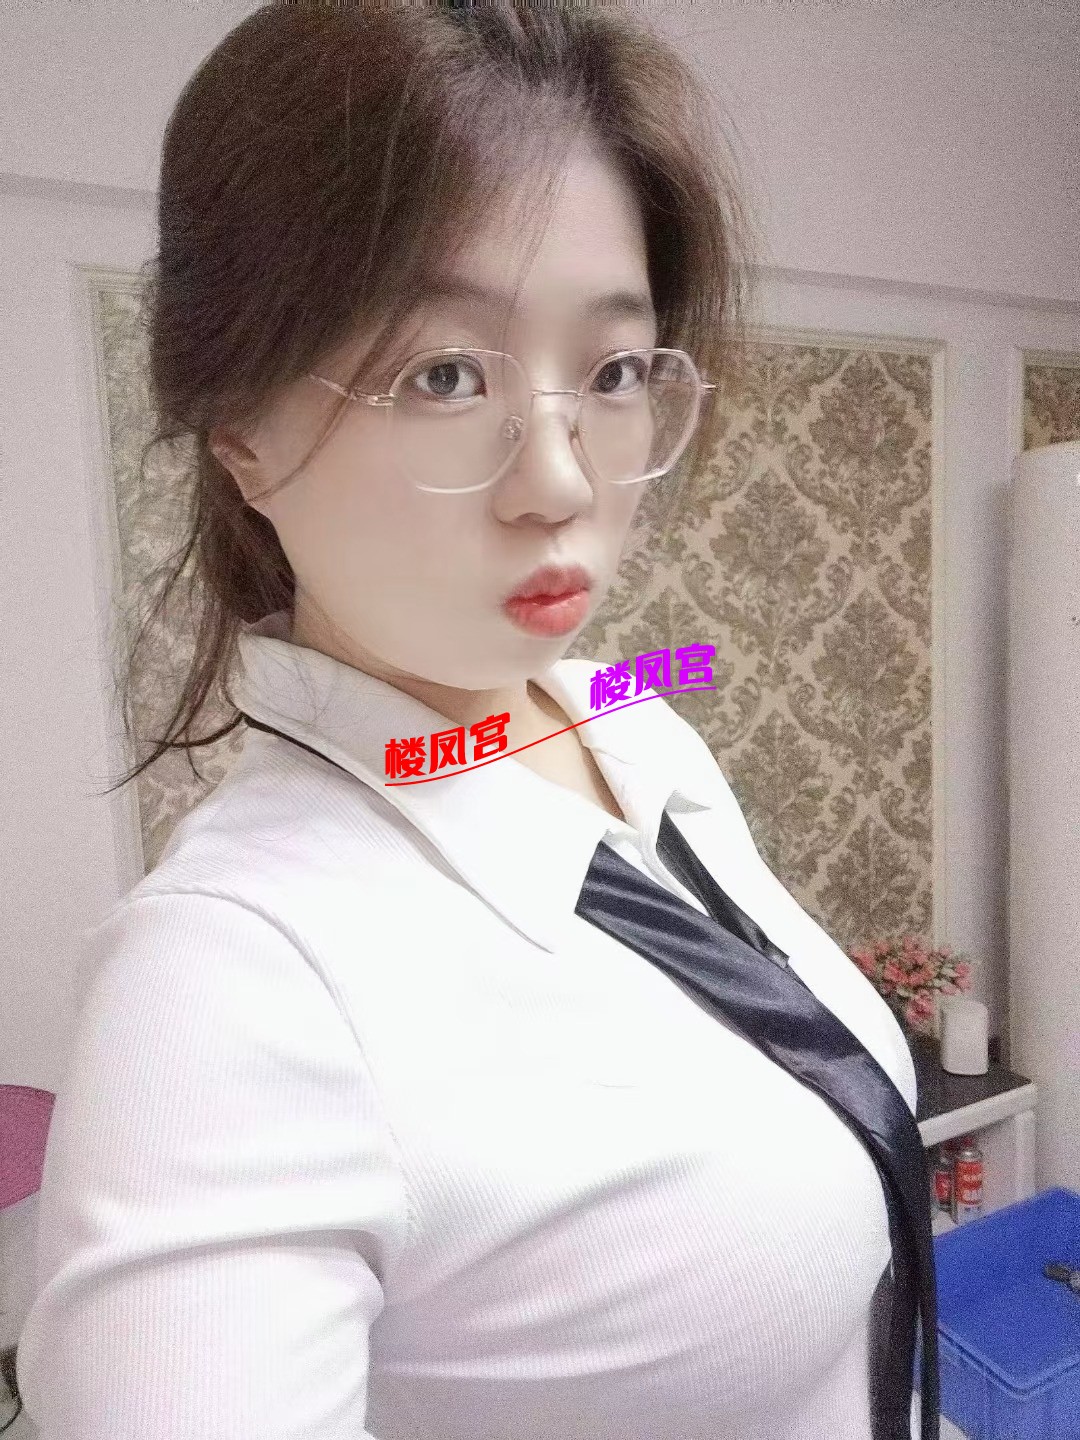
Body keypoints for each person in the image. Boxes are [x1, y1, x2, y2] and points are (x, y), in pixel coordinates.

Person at [15, 4, 921, 1438]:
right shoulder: (233, 987)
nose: (560, 481)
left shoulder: (631, 726)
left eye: (612, 372)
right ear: (240, 432)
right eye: (443, 375)